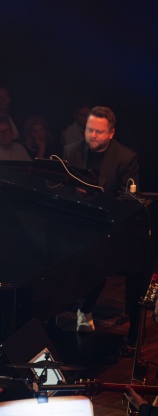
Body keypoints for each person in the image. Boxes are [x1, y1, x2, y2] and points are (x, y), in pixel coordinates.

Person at [63, 106, 141, 337]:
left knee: (98, 258)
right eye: (89, 130)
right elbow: (59, 186)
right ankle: (53, 309)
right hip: (73, 222)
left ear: (111, 133)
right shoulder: (71, 150)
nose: (92, 135)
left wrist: (96, 195)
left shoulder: (126, 157)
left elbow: (129, 200)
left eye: (98, 131)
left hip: (106, 225)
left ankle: (85, 309)